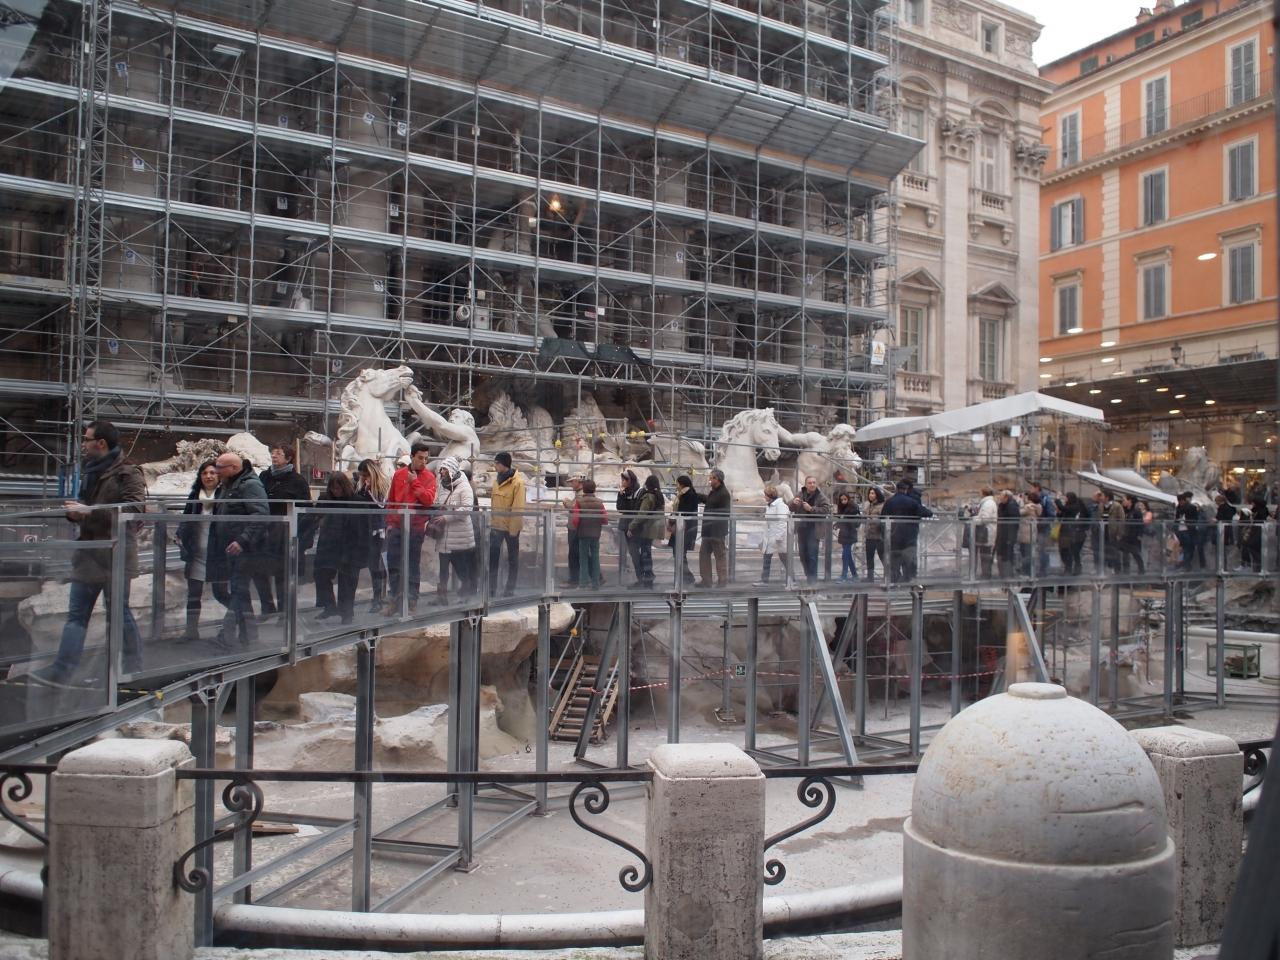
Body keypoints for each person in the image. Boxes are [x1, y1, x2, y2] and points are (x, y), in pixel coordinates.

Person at [33, 421, 146, 685]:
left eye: (87, 439)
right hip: (89, 556)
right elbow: (87, 507)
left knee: (118, 613)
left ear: (101, 443)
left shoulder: (128, 472)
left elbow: (135, 510)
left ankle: (133, 667)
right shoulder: (92, 470)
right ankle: (62, 672)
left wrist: (88, 512)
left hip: (115, 556)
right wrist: (76, 513)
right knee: (77, 616)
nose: (83, 444)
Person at [209, 452, 269, 648]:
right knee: (239, 592)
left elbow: (261, 515)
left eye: (220, 467)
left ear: (234, 468)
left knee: (238, 590)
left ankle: (227, 634)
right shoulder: (228, 485)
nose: (216, 471)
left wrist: (242, 540)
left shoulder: (250, 485)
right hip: (230, 548)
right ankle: (248, 636)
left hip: (246, 550)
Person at [251, 445, 311, 618]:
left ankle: (284, 611)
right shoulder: (264, 476)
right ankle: (267, 606)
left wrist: (299, 536)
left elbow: (305, 510)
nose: (274, 456)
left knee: (282, 574)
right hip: (264, 532)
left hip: (285, 535)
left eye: (279, 453)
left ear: (289, 458)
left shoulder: (297, 481)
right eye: (273, 453)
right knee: (258, 570)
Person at [384, 441, 437, 614]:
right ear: (412, 456)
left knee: (412, 564)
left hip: (415, 528)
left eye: (426, 458)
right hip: (397, 526)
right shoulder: (399, 474)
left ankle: (412, 601)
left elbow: (428, 500)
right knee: (393, 563)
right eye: (420, 458)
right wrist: (390, 523)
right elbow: (391, 500)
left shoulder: (429, 477)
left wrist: (415, 483)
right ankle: (394, 600)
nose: (423, 461)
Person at [311, 472, 370, 624]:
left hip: (350, 546)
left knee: (347, 581)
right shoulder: (325, 500)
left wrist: (361, 550)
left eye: (338, 488)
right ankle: (329, 606)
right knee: (321, 574)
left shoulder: (357, 502)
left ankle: (346, 613)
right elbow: (314, 518)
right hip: (329, 545)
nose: (336, 491)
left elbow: (363, 528)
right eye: (333, 488)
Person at [177, 460, 220, 642]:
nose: (208, 476)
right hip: (196, 552)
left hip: (217, 553)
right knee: (194, 594)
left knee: (221, 592)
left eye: (212, 473)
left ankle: (238, 625)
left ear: (219, 476)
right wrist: (180, 535)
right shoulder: (195, 496)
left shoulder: (224, 496)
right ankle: (191, 630)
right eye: (204, 473)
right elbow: (186, 519)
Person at [435, 457, 477, 602]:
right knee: (443, 569)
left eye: (444, 469)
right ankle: (442, 597)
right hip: (444, 536)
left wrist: (446, 518)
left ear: (452, 470)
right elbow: (438, 503)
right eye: (441, 469)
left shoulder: (464, 487)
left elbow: (466, 509)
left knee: (461, 569)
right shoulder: (442, 486)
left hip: (459, 537)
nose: (441, 472)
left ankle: (465, 595)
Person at [488, 451, 526, 597]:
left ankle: (510, 589)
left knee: (512, 559)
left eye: (497, 463)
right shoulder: (496, 481)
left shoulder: (517, 483)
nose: (495, 466)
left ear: (503, 464)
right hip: (496, 526)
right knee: (493, 558)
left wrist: (513, 530)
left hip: (510, 527)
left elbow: (518, 508)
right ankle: (491, 589)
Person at [881, 480, 933, 582]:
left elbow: (882, 519)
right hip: (909, 538)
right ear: (906, 490)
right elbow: (926, 513)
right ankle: (909, 584)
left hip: (893, 537)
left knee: (894, 564)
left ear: (897, 489)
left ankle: (893, 585)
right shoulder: (912, 502)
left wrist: (885, 535)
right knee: (909, 564)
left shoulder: (889, 502)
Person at [355, 459, 389, 612]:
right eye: (362, 475)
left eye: (365, 475)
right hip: (363, 529)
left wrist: (368, 490)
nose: (363, 478)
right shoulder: (361, 486)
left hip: (376, 530)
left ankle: (378, 598)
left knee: (375, 564)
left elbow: (381, 505)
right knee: (371, 564)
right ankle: (377, 596)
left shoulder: (380, 487)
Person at [791, 476, 831, 584]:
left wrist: (811, 509)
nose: (812, 484)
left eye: (814, 482)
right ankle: (809, 574)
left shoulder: (820, 496)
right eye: (810, 483)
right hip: (801, 528)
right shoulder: (800, 494)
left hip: (814, 529)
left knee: (812, 554)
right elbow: (790, 507)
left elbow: (826, 509)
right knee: (802, 554)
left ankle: (812, 580)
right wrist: (793, 502)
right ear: (806, 484)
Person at [570, 478, 608, 588]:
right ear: (594, 489)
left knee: (583, 559)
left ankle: (583, 583)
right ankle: (596, 583)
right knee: (595, 558)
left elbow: (576, 519)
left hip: (583, 534)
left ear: (584, 489)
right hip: (595, 534)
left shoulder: (579, 502)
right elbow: (605, 519)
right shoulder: (599, 503)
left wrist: (576, 527)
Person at [697, 468, 732, 587]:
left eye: (712, 478)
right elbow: (710, 501)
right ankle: (706, 580)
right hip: (708, 530)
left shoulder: (723, 494)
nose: (710, 480)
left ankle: (722, 581)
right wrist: (698, 496)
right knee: (704, 554)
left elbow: (724, 513)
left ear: (718, 479)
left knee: (719, 556)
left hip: (717, 532)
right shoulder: (714, 492)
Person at [630, 475, 666, 588]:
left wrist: (632, 526)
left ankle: (648, 579)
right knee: (647, 553)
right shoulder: (659, 495)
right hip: (654, 528)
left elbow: (642, 514)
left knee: (645, 554)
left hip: (647, 529)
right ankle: (649, 577)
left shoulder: (649, 496)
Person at [668, 474, 699, 582]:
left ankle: (686, 577)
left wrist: (674, 520)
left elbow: (685, 512)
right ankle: (684, 577)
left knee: (680, 553)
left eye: (677, 483)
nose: (676, 486)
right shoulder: (682, 494)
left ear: (682, 484)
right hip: (680, 527)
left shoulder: (689, 495)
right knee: (678, 552)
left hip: (685, 528)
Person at [616, 469, 642, 580]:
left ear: (629, 481)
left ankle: (641, 577)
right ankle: (639, 577)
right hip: (626, 526)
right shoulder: (624, 492)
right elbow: (620, 508)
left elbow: (634, 510)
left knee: (635, 552)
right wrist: (621, 495)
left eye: (624, 480)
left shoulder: (638, 492)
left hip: (634, 527)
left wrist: (632, 527)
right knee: (631, 552)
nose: (622, 482)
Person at [761, 484, 790, 583]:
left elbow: (782, 522)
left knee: (784, 558)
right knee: (767, 557)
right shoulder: (769, 506)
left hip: (778, 537)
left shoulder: (780, 506)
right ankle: (764, 579)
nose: (764, 496)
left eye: (765, 494)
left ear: (770, 495)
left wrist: (778, 537)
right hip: (771, 536)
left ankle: (792, 578)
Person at [1027, 481, 1057, 575]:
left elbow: (1051, 515)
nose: (1030, 490)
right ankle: (1037, 569)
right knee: (1038, 550)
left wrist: (1040, 522)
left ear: (1036, 488)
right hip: (1037, 529)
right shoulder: (1038, 498)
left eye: (1031, 488)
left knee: (1043, 550)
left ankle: (1043, 570)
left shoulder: (1046, 499)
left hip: (1043, 529)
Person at [1055, 491, 1088, 576]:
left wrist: (1057, 499)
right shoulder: (1068, 506)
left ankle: (1072, 568)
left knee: (1072, 551)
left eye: (1066, 497)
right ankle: (1068, 567)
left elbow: (1064, 508)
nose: (1065, 499)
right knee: (1064, 551)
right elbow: (1062, 515)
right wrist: (1058, 513)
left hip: (1072, 532)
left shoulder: (1075, 506)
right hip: (1064, 532)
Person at [1174, 492, 1204, 571]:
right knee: (1184, 548)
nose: (1180, 502)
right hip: (1181, 530)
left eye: (1181, 501)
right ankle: (1184, 565)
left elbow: (1194, 519)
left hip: (1188, 530)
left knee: (1188, 548)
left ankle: (1186, 565)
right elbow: (1177, 519)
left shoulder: (1191, 507)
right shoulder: (1179, 508)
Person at [834, 491, 860, 582]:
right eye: (841, 500)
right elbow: (842, 520)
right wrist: (838, 523)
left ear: (848, 499)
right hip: (844, 533)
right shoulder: (842, 508)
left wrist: (842, 519)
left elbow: (853, 520)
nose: (843, 501)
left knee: (845, 555)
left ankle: (844, 575)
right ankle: (854, 575)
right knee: (847, 556)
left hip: (850, 533)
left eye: (845, 499)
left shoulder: (853, 507)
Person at [564, 474, 584, 586]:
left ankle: (574, 580)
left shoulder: (580, 495)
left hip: (575, 528)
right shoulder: (579, 494)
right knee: (577, 553)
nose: (571, 484)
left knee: (574, 554)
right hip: (576, 527)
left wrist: (566, 503)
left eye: (572, 482)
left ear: (578, 481)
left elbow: (574, 508)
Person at [994, 490, 1019, 579]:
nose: (999, 497)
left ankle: (1008, 575)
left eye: (1001, 496)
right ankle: (1004, 575)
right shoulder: (1002, 505)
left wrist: (1010, 538)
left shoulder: (1012, 506)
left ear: (1006, 497)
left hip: (1008, 536)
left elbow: (1014, 523)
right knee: (1002, 555)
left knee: (1007, 555)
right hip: (1002, 534)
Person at [863, 487, 885, 581]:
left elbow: (883, 519)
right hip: (869, 535)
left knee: (883, 556)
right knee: (869, 557)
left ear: (877, 495)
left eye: (873, 493)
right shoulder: (868, 505)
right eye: (870, 493)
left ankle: (888, 575)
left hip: (879, 536)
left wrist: (872, 519)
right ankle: (870, 577)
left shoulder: (881, 506)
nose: (870, 495)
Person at [1240, 498, 1269, 572]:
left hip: (1258, 531)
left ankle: (1258, 567)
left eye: (1253, 503)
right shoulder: (1255, 510)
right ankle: (1256, 567)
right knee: (1250, 547)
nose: (1252, 504)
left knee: (1252, 547)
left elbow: (1259, 520)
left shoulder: (1261, 511)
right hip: (1254, 531)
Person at [975, 487, 997, 579]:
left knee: (985, 554)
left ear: (984, 493)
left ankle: (986, 574)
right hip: (986, 531)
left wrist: (973, 520)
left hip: (987, 532)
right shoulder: (988, 502)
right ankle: (985, 573)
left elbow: (985, 519)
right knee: (984, 554)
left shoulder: (988, 504)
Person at [1017, 495, 1042, 576]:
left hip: (1026, 534)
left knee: (1026, 554)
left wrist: (1019, 501)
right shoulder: (1037, 507)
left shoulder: (1029, 507)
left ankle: (1025, 572)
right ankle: (1030, 572)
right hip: (1031, 534)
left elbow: (1018, 512)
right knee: (1029, 554)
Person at [1214, 494, 1236, 569]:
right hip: (1227, 530)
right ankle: (1224, 566)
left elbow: (1220, 518)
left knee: (1221, 550)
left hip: (1223, 531)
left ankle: (1222, 567)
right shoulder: (1229, 508)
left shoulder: (1222, 508)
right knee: (1224, 550)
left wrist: (1216, 520)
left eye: (1216, 502)